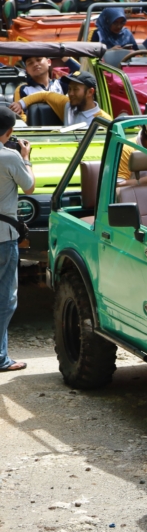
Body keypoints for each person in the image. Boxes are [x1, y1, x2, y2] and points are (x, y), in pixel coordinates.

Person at [0, 107, 33, 373]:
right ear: (9, 132)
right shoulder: (10, 157)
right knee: (5, 299)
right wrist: (26, 157)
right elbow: (29, 186)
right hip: (3, 239)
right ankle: (1, 357)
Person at [11, 71, 111, 126]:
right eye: (69, 89)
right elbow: (45, 94)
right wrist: (21, 103)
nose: (71, 93)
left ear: (90, 92)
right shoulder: (67, 105)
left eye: (75, 89)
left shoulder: (104, 121)